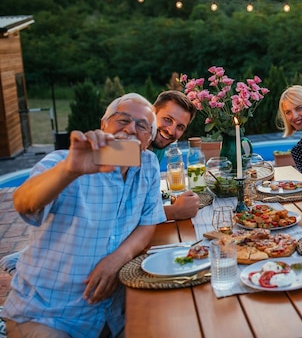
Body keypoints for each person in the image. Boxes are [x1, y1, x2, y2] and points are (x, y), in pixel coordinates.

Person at [2, 93, 166, 338]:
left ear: (148, 139)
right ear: (104, 124)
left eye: (142, 126)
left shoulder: (148, 164)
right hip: (48, 315)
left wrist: (117, 258)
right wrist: (69, 170)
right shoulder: (65, 161)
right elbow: (25, 204)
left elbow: (147, 223)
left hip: (112, 314)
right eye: (122, 120)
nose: (131, 128)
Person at [151, 90, 200, 221]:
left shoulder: (158, 147)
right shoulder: (127, 149)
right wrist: (174, 212)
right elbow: (120, 214)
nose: (171, 131)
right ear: (151, 113)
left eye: (180, 127)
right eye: (167, 119)